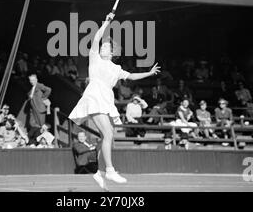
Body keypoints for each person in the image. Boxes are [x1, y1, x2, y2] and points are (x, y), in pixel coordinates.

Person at [68, 12, 160, 189]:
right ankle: (109, 170)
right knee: (108, 134)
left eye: (105, 47)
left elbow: (132, 76)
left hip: (106, 100)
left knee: (107, 133)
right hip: (94, 97)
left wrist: (149, 72)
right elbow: (96, 38)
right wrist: (106, 22)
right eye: (101, 47)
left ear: (112, 52)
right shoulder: (94, 58)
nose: (101, 48)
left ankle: (99, 173)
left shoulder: (116, 68)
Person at [23, 74, 52, 145]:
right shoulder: (32, 88)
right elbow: (30, 96)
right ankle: (35, 141)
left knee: (41, 125)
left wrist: (43, 98)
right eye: (30, 80)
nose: (31, 81)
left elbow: (48, 89)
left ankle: (43, 142)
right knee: (34, 125)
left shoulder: (39, 85)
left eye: (33, 80)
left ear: (36, 80)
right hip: (33, 110)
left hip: (39, 109)